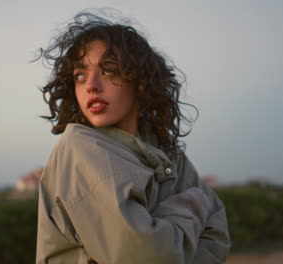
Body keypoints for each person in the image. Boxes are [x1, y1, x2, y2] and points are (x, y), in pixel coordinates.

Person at [35, 10, 231, 264]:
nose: (91, 85)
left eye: (109, 70)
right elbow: (147, 256)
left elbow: (218, 231)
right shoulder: (79, 148)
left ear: (139, 81)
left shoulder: (167, 151)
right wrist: (191, 207)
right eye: (79, 75)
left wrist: (167, 238)